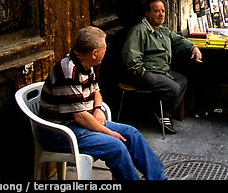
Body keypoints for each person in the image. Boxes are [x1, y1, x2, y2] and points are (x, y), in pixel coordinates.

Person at [38, 26, 168, 180]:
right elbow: (80, 117)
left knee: (131, 134)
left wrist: (98, 108)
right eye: (104, 49)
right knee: (116, 147)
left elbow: (96, 92)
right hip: (60, 132)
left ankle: (159, 178)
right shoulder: (68, 72)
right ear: (94, 53)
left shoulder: (86, 64)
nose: (105, 52)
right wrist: (109, 133)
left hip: (80, 124)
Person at [121, 0, 203, 134]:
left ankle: (164, 113)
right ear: (148, 13)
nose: (161, 14)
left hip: (162, 71)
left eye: (163, 11)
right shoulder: (139, 31)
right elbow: (131, 60)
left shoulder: (162, 30)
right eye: (156, 11)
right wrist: (142, 73)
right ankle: (161, 113)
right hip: (145, 73)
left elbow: (178, 40)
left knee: (182, 80)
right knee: (173, 88)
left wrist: (193, 47)